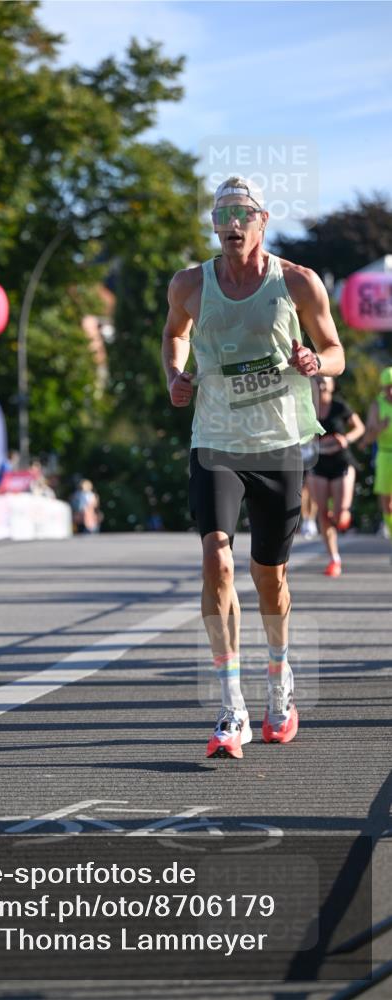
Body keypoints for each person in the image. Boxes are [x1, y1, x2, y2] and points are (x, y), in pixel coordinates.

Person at [162, 176, 345, 759]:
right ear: (214, 225)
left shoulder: (297, 282)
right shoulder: (190, 283)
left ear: (263, 220)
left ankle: (279, 680)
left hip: (279, 446)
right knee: (216, 555)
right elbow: (175, 334)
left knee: (270, 575)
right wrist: (176, 374)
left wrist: (317, 361)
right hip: (215, 441)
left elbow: (337, 350)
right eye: (222, 216)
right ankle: (230, 705)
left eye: (243, 215)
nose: (232, 225)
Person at [307, 376, 364, 576]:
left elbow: (359, 428)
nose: (322, 383)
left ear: (332, 385)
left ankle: (342, 517)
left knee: (340, 515)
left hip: (342, 463)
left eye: (325, 380)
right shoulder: (308, 408)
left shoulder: (340, 406)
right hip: (319, 463)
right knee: (322, 513)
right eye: (318, 380)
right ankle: (334, 559)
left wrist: (345, 439)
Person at [362, 365, 392, 547]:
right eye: (388, 386)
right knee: (387, 504)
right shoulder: (376, 405)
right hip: (385, 454)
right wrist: (379, 428)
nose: (391, 390)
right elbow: (367, 438)